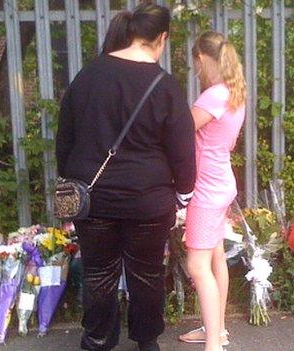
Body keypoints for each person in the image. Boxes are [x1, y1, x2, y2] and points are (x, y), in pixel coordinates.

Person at [55, 3, 196, 351]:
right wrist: (184, 193)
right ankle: (147, 341)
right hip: (148, 200)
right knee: (146, 273)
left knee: (98, 273)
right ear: (161, 38)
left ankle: (98, 340)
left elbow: (65, 138)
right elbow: (182, 147)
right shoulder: (164, 85)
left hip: (94, 199)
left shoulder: (87, 77)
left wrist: (70, 182)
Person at [178, 31, 246, 351]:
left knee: (197, 266)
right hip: (221, 184)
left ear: (203, 59)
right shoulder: (234, 93)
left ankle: (214, 345)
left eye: (196, 65)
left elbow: (179, 132)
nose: (196, 71)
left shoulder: (213, 96)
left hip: (206, 192)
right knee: (216, 257)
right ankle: (215, 330)